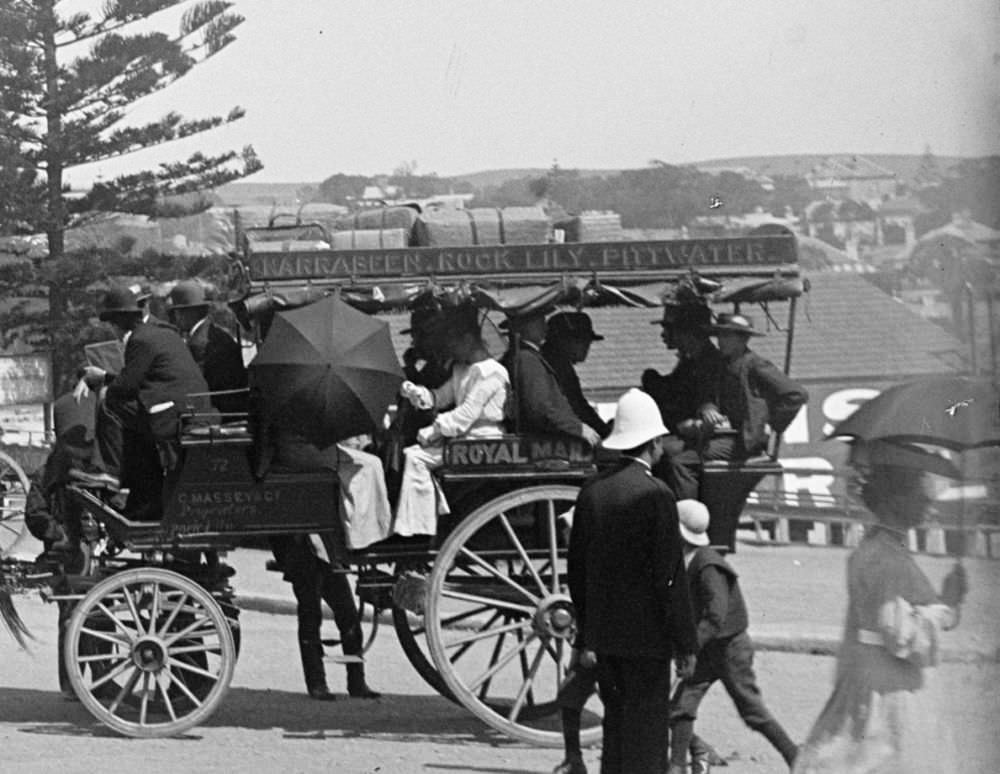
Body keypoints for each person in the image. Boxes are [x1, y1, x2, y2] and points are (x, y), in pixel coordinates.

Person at [792, 446, 968, 773]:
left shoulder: (875, 549)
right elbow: (899, 635)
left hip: (870, 677)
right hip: (890, 688)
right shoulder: (888, 560)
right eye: (920, 494)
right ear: (895, 499)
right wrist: (946, 607)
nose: (928, 503)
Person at [567, 388, 697, 774]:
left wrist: (587, 633)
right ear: (654, 444)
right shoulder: (657, 495)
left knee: (617, 730)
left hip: (604, 640)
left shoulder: (592, 492)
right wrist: (685, 641)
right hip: (648, 641)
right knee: (646, 739)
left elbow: (577, 571)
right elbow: (670, 578)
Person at [668, 499, 799, 774]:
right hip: (707, 647)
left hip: (730, 649)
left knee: (752, 711)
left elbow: (716, 615)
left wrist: (689, 647)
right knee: (681, 706)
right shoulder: (689, 560)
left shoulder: (708, 565)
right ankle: (677, 766)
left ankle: (796, 758)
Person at [70, 285, 215, 515]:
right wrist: (107, 376)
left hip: (172, 415)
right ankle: (142, 495)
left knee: (110, 401)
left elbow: (124, 387)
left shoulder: (140, 340)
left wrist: (102, 379)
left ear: (118, 322)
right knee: (130, 423)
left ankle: (109, 472)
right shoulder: (163, 333)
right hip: (188, 409)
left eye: (112, 324)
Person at [394, 306, 509, 536]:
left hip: (485, 442)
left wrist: (434, 430)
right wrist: (416, 393)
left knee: (416, 458)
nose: (450, 349)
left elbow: (465, 415)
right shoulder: (461, 369)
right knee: (413, 455)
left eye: (453, 342)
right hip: (465, 441)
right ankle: (423, 519)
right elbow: (440, 397)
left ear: (469, 340)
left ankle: (422, 526)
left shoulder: (492, 372)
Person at [270, 530, 380, 701]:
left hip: (326, 555)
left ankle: (356, 682)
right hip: (303, 556)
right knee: (311, 617)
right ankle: (317, 683)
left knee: (348, 616)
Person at [696, 313, 808, 463]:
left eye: (726, 336)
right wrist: (709, 408)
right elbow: (709, 393)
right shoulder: (722, 365)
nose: (720, 341)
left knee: (698, 454)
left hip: (748, 440)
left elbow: (796, 394)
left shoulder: (756, 365)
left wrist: (772, 424)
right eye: (719, 336)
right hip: (726, 433)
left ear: (743, 339)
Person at [642, 303, 726, 500]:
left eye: (668, 329)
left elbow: (706, 401)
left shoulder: (709, 362)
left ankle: (686, 514)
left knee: (668, 454)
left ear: (687, 331)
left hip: (705, 435)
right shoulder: (691, 361)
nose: (663, 335)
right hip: (687, 430)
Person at [501, 310, 601, 446]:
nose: (544, 324)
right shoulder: (526, 359)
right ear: (522, 325)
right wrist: (577, 428)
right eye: (537, 319)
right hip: (543, 445)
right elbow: (540, 406)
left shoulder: (526, 356)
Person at [167, 279, 248, 417]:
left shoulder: (198, 343)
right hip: (232, 405)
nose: (176, 318)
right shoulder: (214, 332)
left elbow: (194, 383)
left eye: (177, 313)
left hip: (219, 411)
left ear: (187, 313)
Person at [541, 311, 610, 439]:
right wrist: (605, 432)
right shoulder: (556, 366)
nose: (587, 347)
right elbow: (578, 407)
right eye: (582, 341)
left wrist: (604, 429)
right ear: (563, 340)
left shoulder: (558, 363)